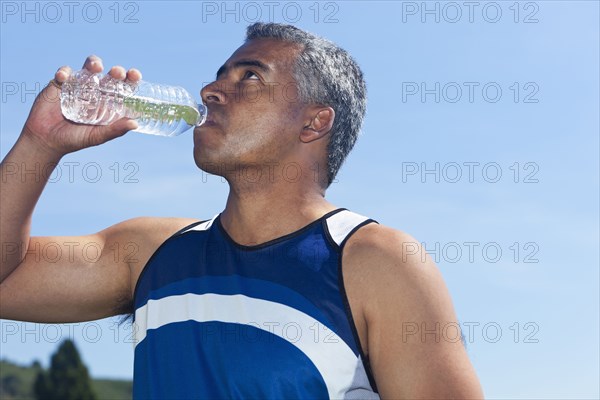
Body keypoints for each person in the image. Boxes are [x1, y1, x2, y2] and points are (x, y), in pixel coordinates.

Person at [0, 22, 484, 399]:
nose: (211, 91)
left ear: (315, 122)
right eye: (217, 76)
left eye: (249, 77)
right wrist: (38, 146)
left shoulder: (376, 259)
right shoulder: (148, 252)